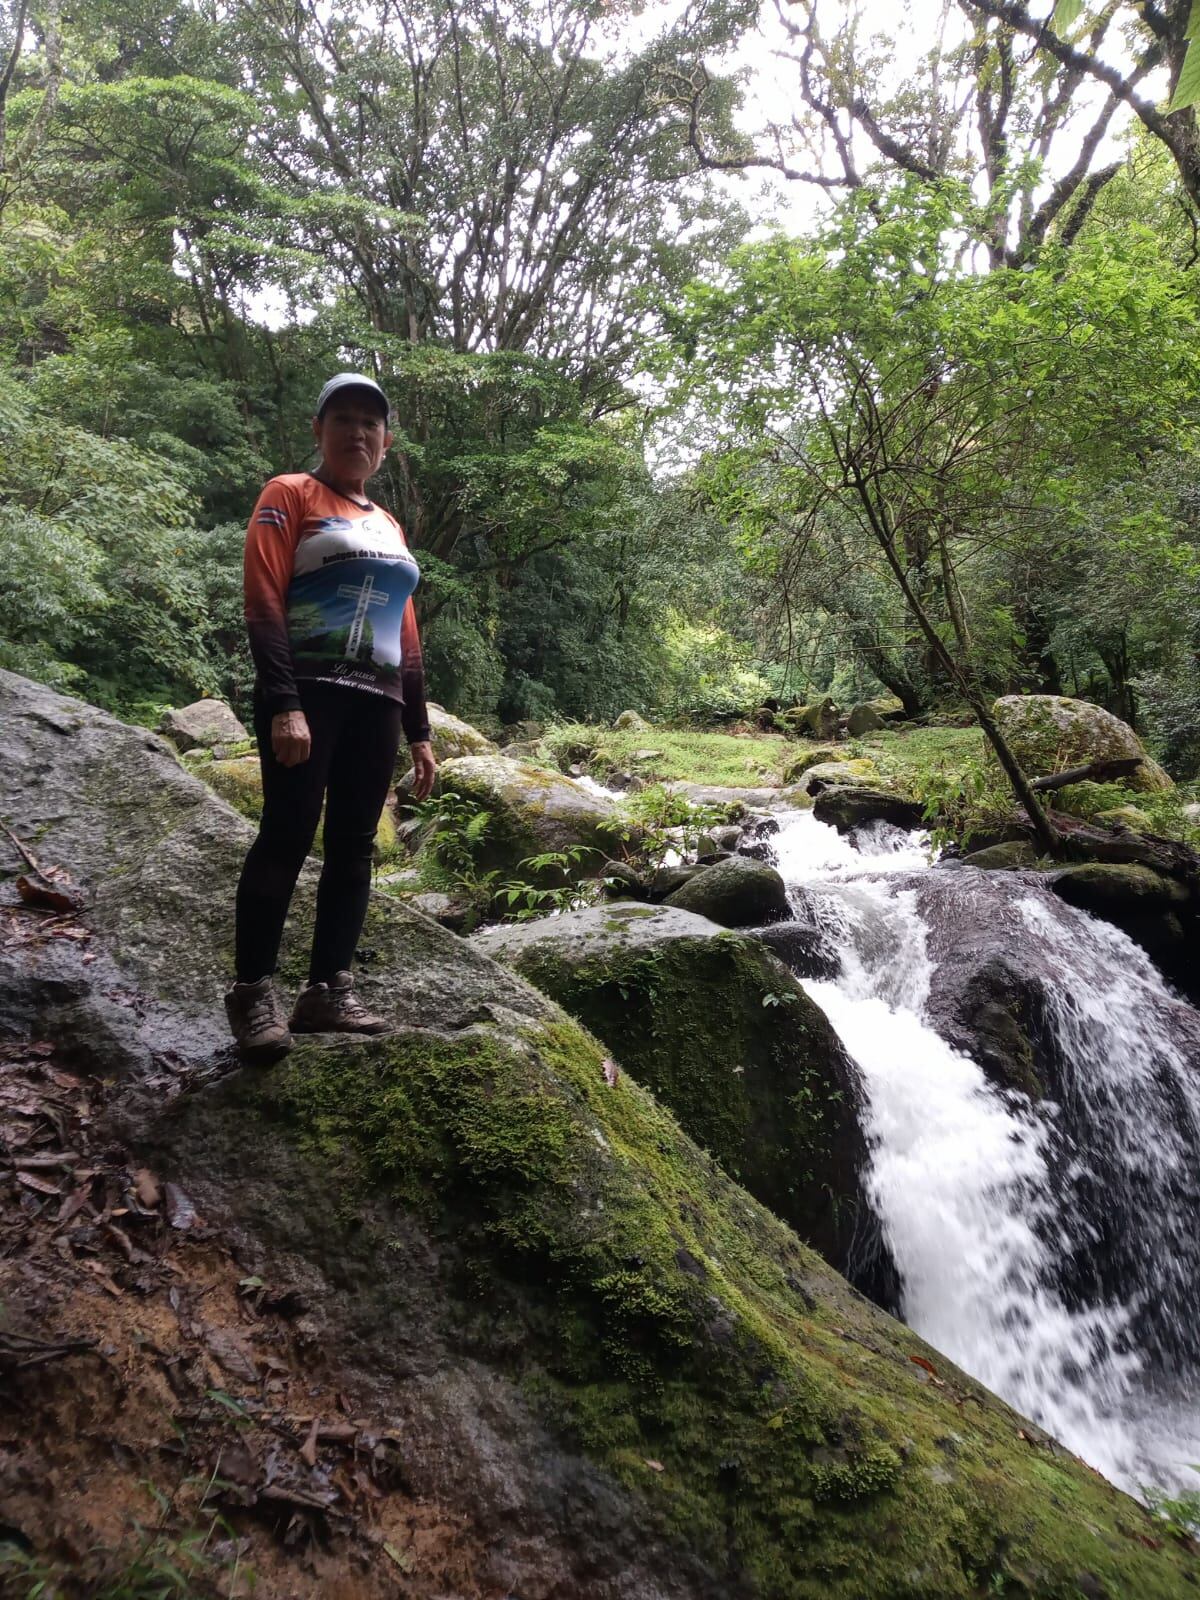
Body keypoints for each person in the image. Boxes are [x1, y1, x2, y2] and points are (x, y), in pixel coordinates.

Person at [224, 372, 437, 1060]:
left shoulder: (389, 524)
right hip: (308, 692)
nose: (357, 432)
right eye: (342, 419)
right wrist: (284, 703)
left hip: (377, 704)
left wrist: (422, 734)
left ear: (386, 443)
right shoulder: (289, 495)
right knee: (286, 835)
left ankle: (326, 992)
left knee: (353, 848)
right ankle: (254, 993)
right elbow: (262, 602)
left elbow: (406, 636)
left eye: (370, 424)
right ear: (318, 431)